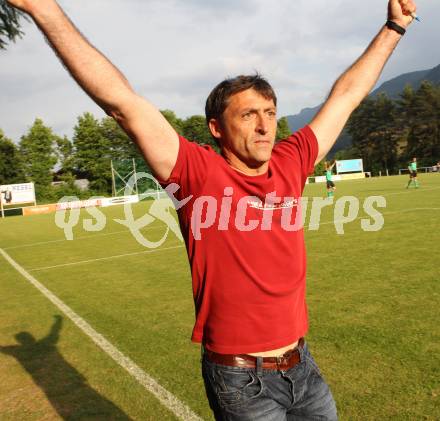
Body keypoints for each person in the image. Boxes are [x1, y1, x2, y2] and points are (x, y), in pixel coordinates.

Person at [6, 0, 417, 419]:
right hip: (242, 381)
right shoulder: (196, 172)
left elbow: (347, 96)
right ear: (217, 128)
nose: (264, 126)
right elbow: (121, 102)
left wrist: (394, 27)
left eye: (270, 113)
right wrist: (44, 9)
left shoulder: (292, 160)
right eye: (249, 115)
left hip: (303, 367)